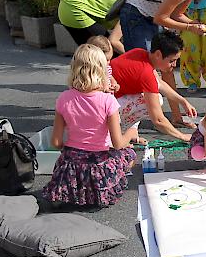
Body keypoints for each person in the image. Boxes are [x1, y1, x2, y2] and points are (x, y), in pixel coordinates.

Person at [119, 0, 206, 128]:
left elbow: (177, 14)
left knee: (167, 65)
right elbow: (161, 18)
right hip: (136, 15)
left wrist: (196, 26)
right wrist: (190, 28)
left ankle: (176, 117)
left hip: (150, 16)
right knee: (144, 69)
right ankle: (142, 122)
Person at [42, 44, 137, 207]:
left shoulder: (64, 98)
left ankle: (73, 189)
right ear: (102, 70)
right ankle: (104, 186)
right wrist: (131, 133)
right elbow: (118, 143)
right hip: (98, 164)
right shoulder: (108, 101)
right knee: (129, 154)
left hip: (71, 165)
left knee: (72, 160)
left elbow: (56, 142)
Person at [111, 31, 197, 143]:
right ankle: (118, 133)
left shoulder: (139, 53)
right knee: (154, 100)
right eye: (171, 61)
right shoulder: (146, 73)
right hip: (103, 109)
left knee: (151, 97)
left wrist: (183, 101)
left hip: (96, 102)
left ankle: (125, 131)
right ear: (158, 54)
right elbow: (158, 120)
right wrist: (182, 136)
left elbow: (159, 83)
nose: (174, 65)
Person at [58, 0, 127, 52]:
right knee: (107, 49)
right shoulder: (132, 8)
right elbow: (114, 41)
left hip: (65, 6)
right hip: (76, 7)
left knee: (88, 54)